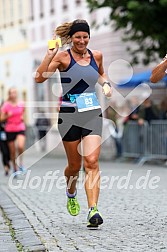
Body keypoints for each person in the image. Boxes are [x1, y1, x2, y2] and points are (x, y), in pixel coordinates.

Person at [35, 19, 112, 228]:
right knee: (74, 166)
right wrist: (49, 54)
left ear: (89, 37)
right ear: (72, 38)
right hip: (68, 116)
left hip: (92, 112)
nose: (81, 40)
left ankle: (93, 210)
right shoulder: (63, 56)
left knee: (92, 162)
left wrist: (105, 84)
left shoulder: (96, 55)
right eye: (78, 37)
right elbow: (40, 78)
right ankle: (71, 192)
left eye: (85, 37)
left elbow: (101, 73)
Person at [0, 87, 26, 175]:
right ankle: (14, 168)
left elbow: (23, 112)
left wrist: (22, 117)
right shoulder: (6, 105)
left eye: (15, 93)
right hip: (10, 129)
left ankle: (21, 163)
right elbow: (1, 118)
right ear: (9, 95)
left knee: (20, 146)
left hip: (20, 127)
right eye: (12, 93)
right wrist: (7, 116)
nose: (13, 95)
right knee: (12, 151)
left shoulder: (21, 103)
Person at [0, 107, 10, 176]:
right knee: (4, 152)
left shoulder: (9, 118)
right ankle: (6, 167)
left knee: (9, 152)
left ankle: (8, 163)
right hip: (1, 138)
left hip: (10, 137)